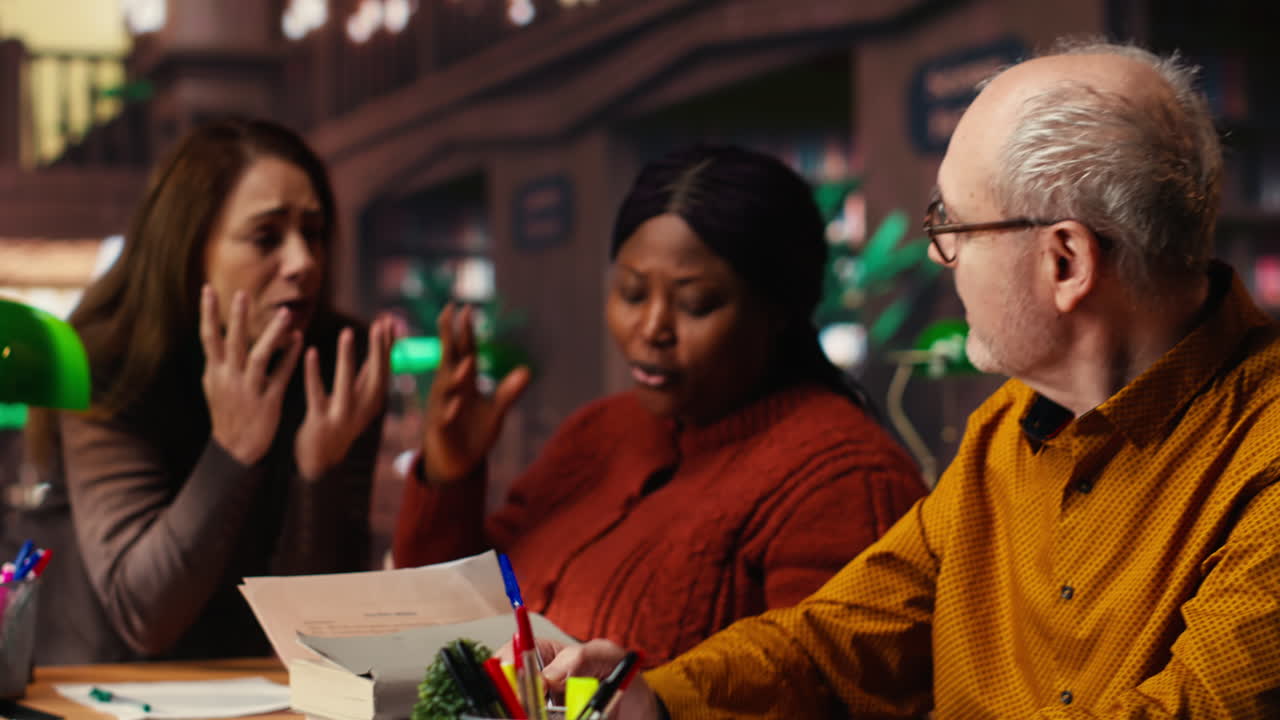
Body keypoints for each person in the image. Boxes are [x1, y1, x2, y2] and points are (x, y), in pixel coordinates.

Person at [545, 39, 1280, 718]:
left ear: (1065, 263)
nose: (938, 256)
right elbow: (841, 634)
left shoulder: (1265, 458)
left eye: (953, 226)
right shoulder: (1006, 431)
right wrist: (658, 701)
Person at [393, 143, 926, 665]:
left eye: (695, 304)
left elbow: (825, 692)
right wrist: (449, 477)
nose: (651, 328)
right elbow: (451, 626)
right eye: (631, 293)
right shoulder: (599, 432)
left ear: (779, 308)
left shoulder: (848, 482)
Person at [11, 117, 394, 664]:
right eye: (267, 237)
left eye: (312, 233)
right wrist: (231, 453)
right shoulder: (109, 362)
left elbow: (317, 635)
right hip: (109, 688)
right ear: (190, 250)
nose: (303, 261)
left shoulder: (334, 358)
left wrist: (318, 475)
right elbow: (144, 615)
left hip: (263, 688)